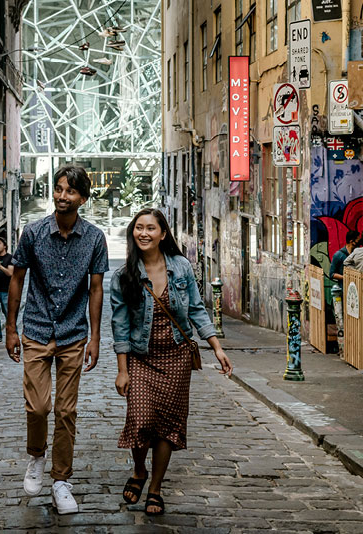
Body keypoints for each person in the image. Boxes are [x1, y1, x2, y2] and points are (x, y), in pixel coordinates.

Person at [109, 208, 233, 517]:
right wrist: (122, 370)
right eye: (139, 227)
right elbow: (120, 326)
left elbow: (196, 309)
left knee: (168, 427)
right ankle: (139, 470)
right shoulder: (124, 276)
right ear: (133, 233)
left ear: (163, 234)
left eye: (151, 228)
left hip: (176, 357)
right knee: (140, 420)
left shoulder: (181, 267)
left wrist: (216, 347)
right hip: (140, 358)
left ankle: (155, 487)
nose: (144, 233)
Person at [6, 165, 108, 515]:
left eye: (70, 191)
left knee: (66, 411)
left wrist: (95, 337)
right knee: (37, 407)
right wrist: (10, 328)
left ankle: (61, 480)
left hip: (73, 334)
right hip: (36, 329)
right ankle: (37, 456)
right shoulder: (33, 233)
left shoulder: (94, 238)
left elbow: (96, 289)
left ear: (83, 199)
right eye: (59, 189)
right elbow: (17, 279)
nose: (62, 196)